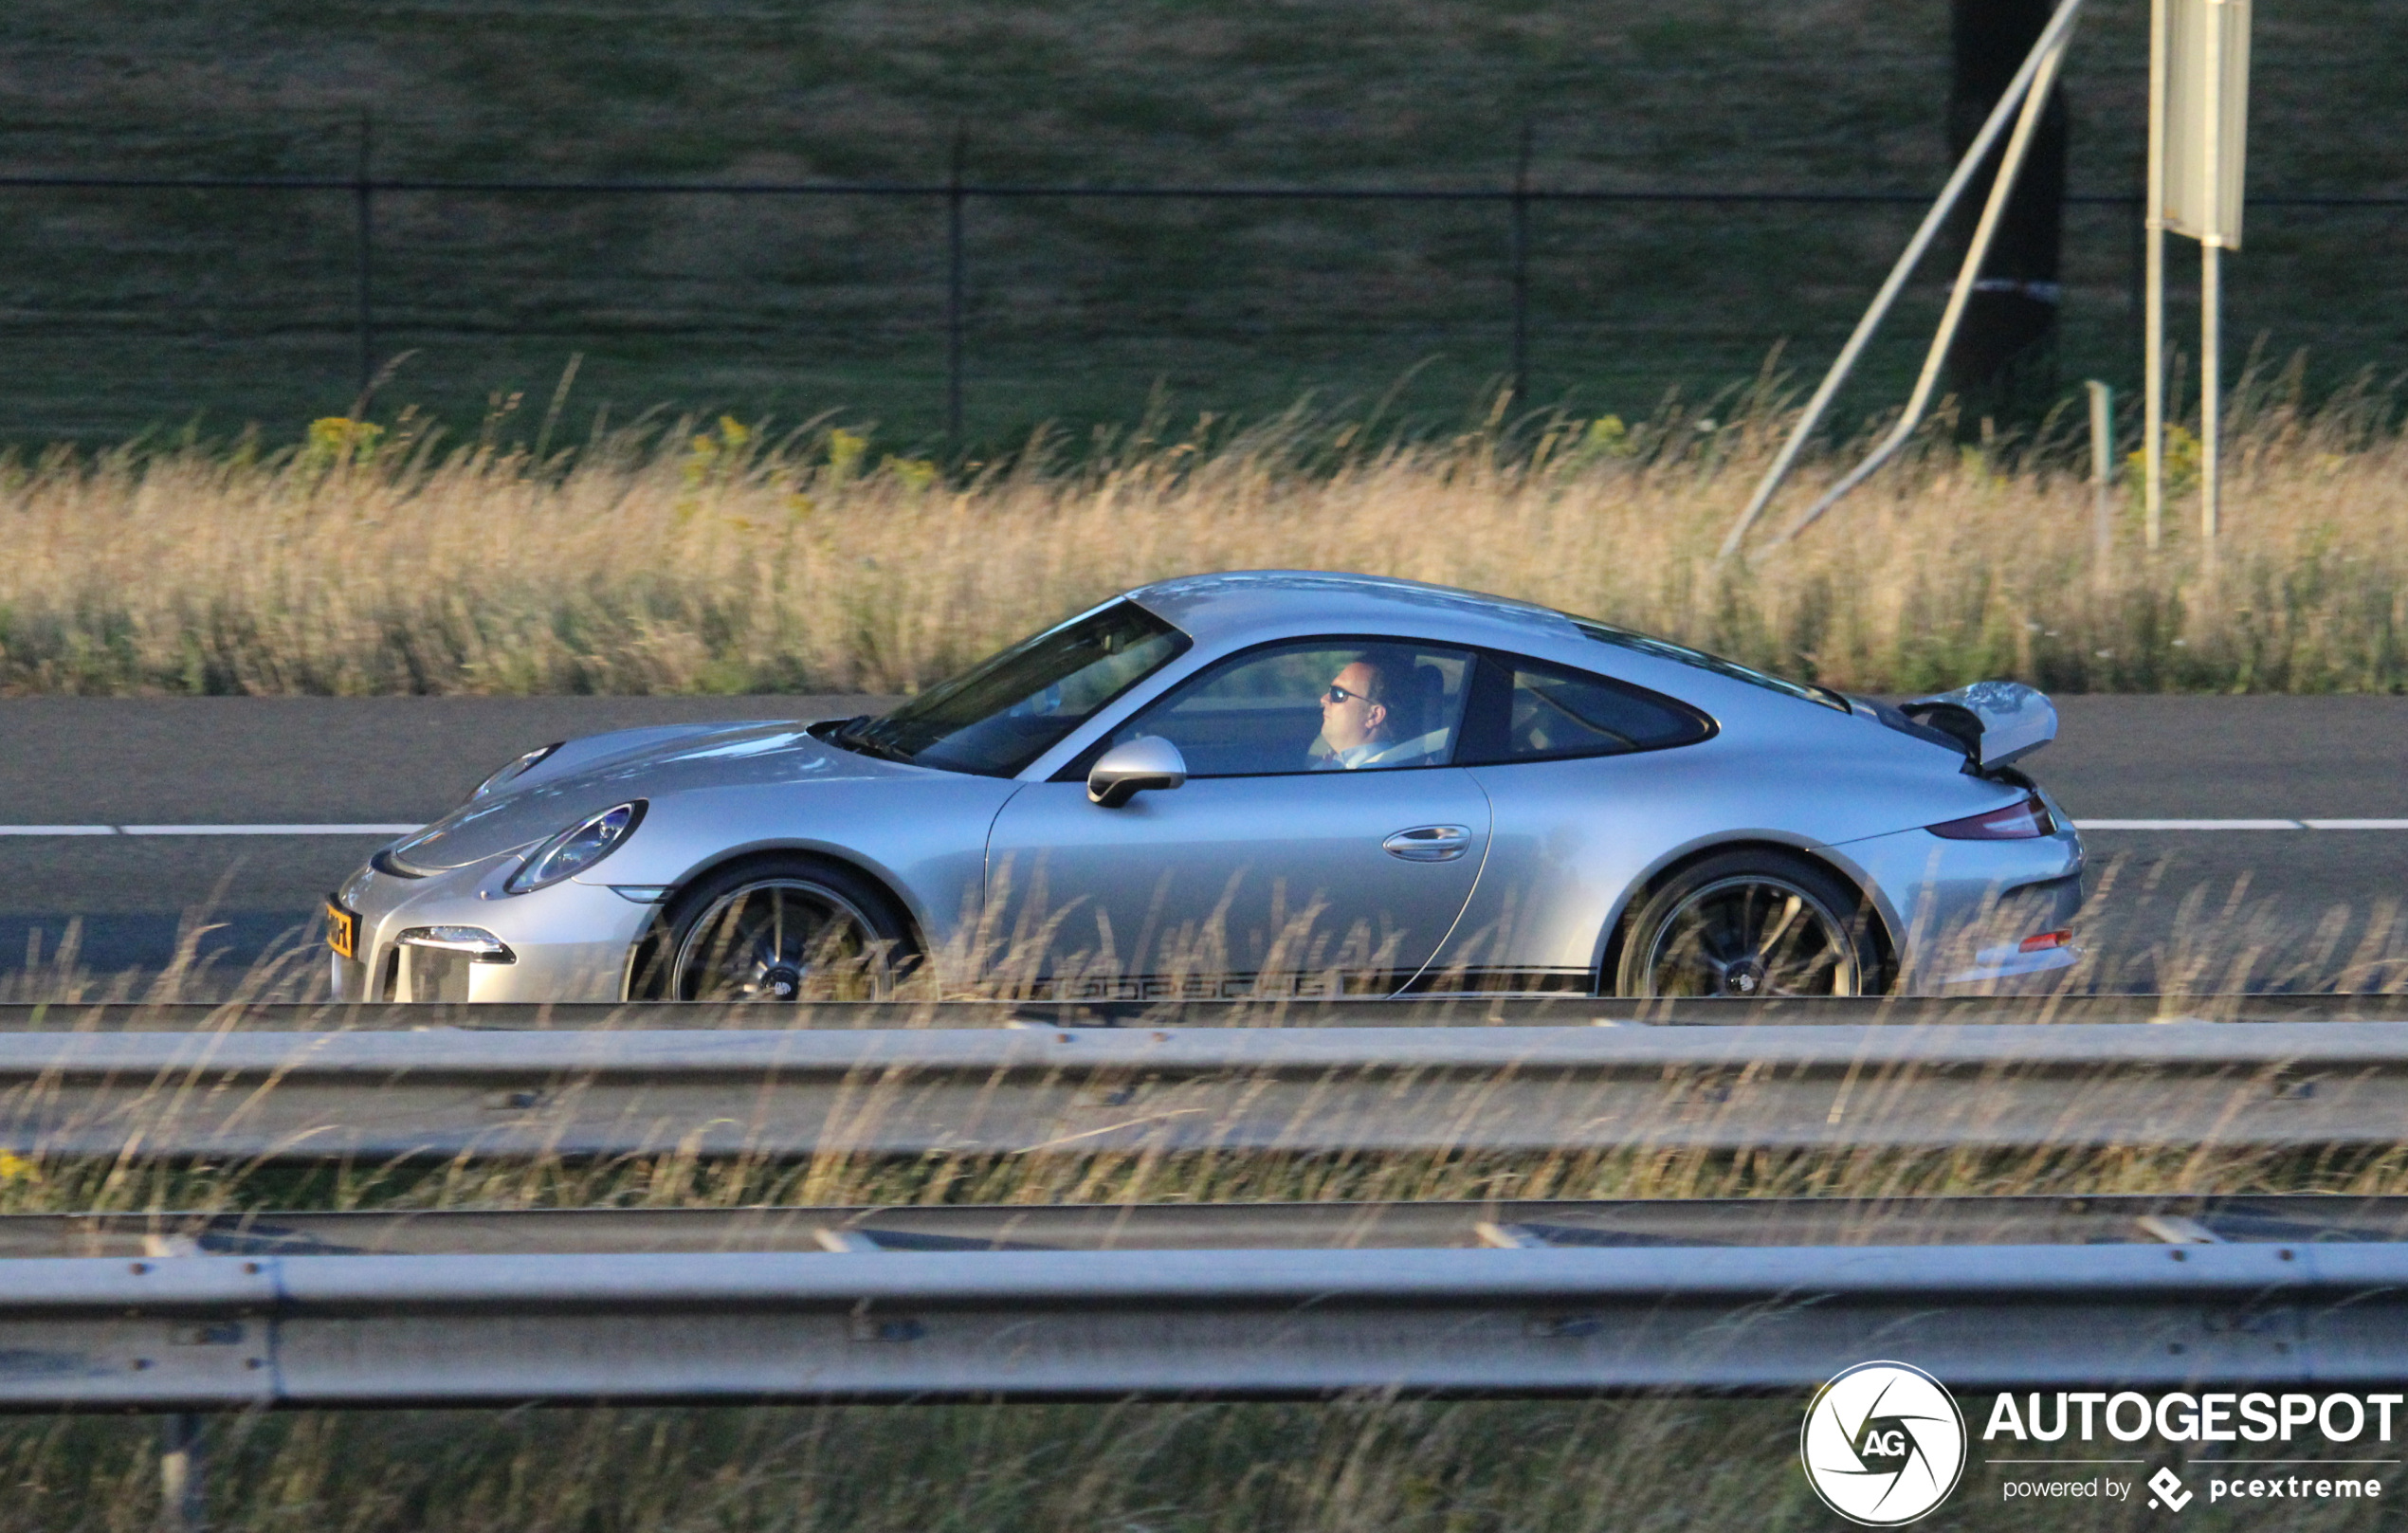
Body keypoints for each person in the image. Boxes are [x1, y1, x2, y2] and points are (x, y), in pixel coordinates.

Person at [1315, 653, 1406, 769]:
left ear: (1374, 715)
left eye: (1338, 694)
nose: (1324, 699)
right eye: (1330, 690)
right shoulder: (1335, 763)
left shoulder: (1378, 777)